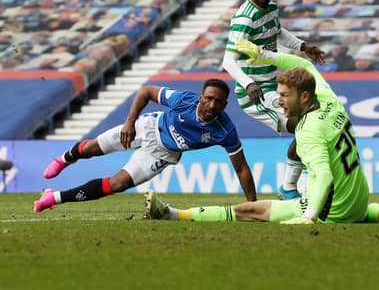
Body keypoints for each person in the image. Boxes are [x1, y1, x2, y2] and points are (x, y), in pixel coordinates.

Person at [144, 40, 379, 224]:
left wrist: (310, 216)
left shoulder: (308, 130)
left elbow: (324, 173)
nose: (278, 101)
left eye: (283, 96)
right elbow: (304, 64)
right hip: (359, 201)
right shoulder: (330, 100)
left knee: (250, 212)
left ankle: (172, 214)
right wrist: (263, 55)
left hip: (334, 212)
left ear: (304, 98)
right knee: (329, 190)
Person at [33, 79, 257, 213]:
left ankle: (54, 197)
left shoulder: (225, 130)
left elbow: (241, 169)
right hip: (147, 127)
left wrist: (253, 205)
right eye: (208, 98)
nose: (212, 104)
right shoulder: (184, 100)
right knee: (91, 149)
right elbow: (146, 91)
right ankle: (64, 159)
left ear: (225, 105)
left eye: (218, 102)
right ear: (200, 97)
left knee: (118, 184)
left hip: (163, 153)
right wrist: (129, 122)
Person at [221, 0, 325, 200]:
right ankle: (304, 191)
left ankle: (290, 188)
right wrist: (248, 83)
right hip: (255, 95)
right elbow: (228, 61)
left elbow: (277, 32)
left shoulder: (271, 9)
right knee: (305, 127)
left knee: (311, 123)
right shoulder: (243, 19)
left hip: (275, 85)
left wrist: (303, 46)